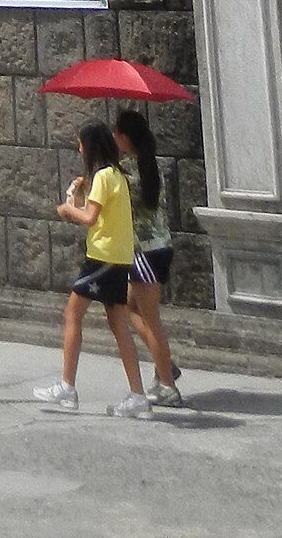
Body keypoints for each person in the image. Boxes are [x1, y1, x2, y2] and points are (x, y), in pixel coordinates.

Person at [34, 120, 151, 419]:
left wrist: (66, 209)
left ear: (90, 146)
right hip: (118, 256)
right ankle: (137, 395)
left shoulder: (103, 176)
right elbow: (100, 212)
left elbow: (88, 217)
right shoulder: (116, 175)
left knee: (73, 313)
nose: (78, 147)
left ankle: (67, 387)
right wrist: (80, 191)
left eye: (80, 142)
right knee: (118, 325)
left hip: (102, 258)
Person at [116, 107, 183, 408]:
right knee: (131, 307)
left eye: (118, 133)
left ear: (125, 137)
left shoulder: (128, 176)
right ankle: (165, 363)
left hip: (142, 252)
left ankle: (167, 382)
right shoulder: (150, 167)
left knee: (149, 320)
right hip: (161, 248)